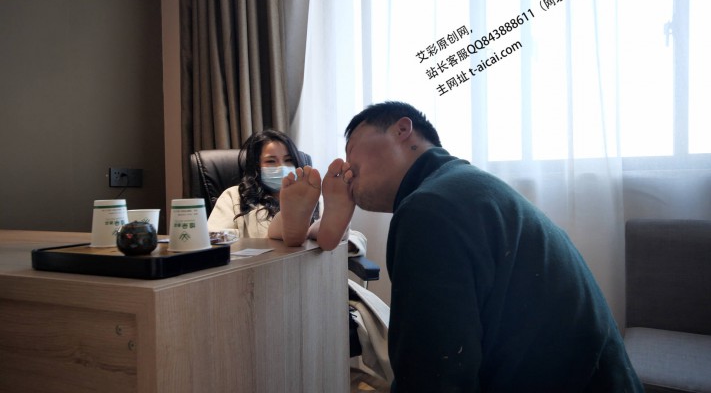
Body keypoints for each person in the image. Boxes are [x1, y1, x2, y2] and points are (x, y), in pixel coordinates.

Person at [337, 101, 643, 392]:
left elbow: (432, 377)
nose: (346, 167)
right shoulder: (459, 189)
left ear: (402, 130)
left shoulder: (431, 208)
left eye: (351, 150)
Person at [207, 129, 365, 256]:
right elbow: (211, 236)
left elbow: (354, 236)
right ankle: (295, 226)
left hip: (313, 270)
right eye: (271, 161)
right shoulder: (235, 196)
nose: (282, 167)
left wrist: (347, 243)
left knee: (329, 228)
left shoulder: (316, 198)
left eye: (288, 160)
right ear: (255, 167)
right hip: (262, 268)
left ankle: (313, 231)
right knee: (280, 227)